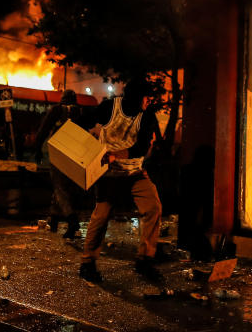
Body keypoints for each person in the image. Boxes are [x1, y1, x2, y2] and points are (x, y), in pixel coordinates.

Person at [78, 78, 163, 283]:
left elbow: (141, 148)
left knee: (153, 208)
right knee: (101, 216)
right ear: (136, 97)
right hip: (109, 176)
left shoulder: (147, 116)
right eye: (146, 97)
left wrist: (116, 153)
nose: (148, 101)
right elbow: (83, 122)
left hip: (134, 173)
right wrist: (87, 147)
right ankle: (87, 263)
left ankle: (145, 260)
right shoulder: (109, 107)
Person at [35, 88, 83, 239]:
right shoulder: (79, 112)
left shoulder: (56, 110)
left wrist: (37, 149)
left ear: (62, 99)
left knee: (59, 186)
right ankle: (54, 219)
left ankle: (72, 220)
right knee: (66, 187)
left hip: (58, 152)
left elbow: (43, 130)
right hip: (75, 153)